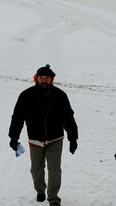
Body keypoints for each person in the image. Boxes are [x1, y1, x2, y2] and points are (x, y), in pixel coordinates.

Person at [9, 65, 78, 206]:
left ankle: (53, 198)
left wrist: (73, 138)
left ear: (52, 79)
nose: (44, 81)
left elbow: (69, 118)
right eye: (41, 78)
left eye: (47, 78)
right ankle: (40, 190)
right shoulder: (26, 95)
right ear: (36, 78)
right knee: (36, 170)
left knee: (54, 170)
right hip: (35, 140)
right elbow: (17, 117)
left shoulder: (60, 96)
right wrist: (13, 138)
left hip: (55, 139)